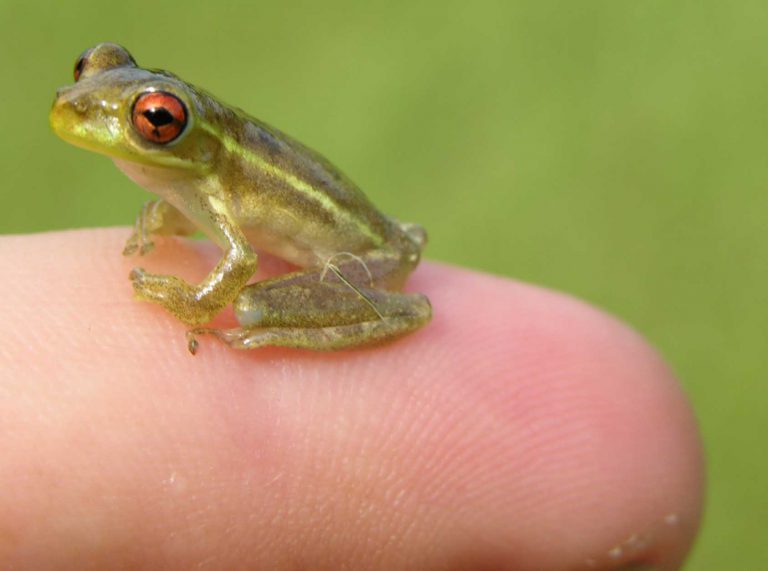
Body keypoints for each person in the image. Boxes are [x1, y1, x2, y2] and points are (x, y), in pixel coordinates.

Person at [0, 229, 703, 570]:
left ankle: (267, 327)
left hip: (362, 261)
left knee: (250, 306)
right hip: (374, 242)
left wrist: (189, 302)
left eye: (156, 120)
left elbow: (239, 258)